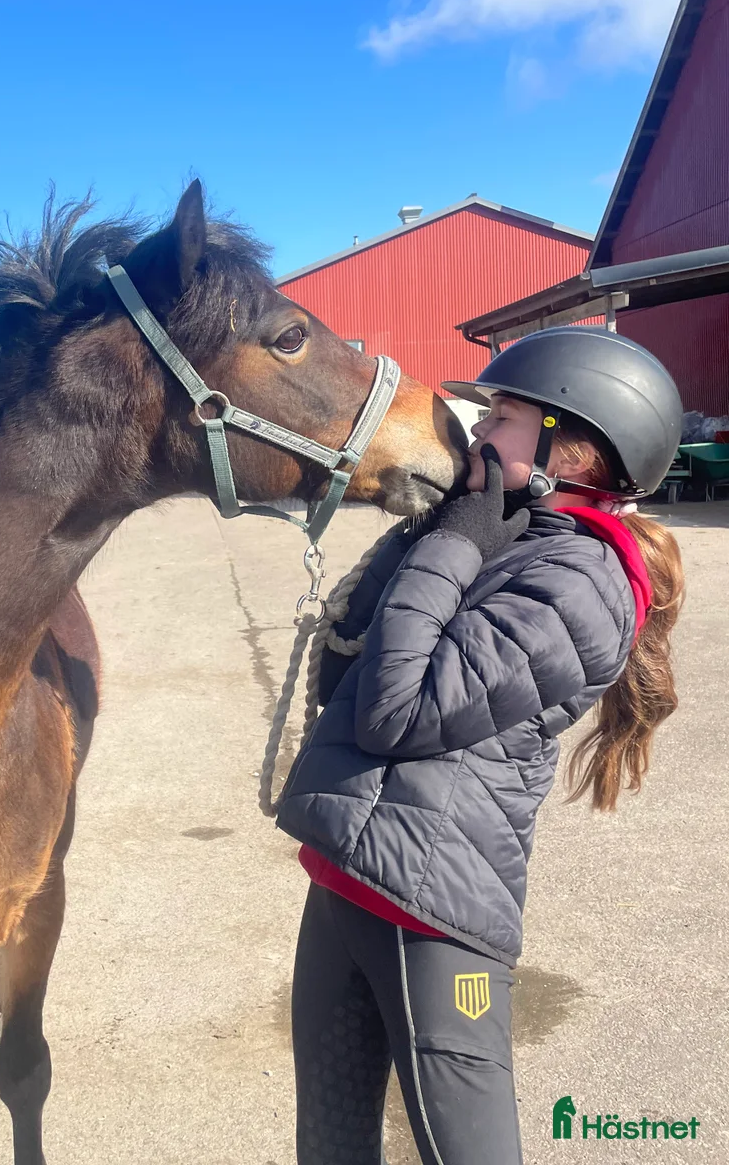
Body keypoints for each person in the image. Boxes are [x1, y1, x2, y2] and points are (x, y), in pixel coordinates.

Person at [273, 327, 686, 1165]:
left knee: (470, 1150)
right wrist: (432, 531)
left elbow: (398, 712)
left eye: (500, 415)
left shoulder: (582, 584)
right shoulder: (512, 531)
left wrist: (455, 541)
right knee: (329, 1140)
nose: (475, 427)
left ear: (572, 449)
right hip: (350, 870)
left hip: (432, 907)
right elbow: (354, 661)